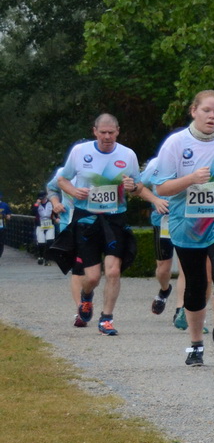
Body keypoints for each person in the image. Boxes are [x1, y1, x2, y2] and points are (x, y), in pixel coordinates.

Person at [147, 91, 214, 366]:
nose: (212, 116)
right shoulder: (176, 143)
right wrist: (190, 178)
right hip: (187, 224)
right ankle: (195, 344)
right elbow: (161, 188)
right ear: (193, 111)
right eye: (206, 111)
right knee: (196, 285)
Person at [56, 114, 142, 336]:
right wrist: (74, 191)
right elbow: (62, 180)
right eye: (102, 132)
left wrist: (132, 186)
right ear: (94, 131)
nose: (107, 137)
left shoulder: (128, 155)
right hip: (87, 219)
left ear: (118, 131)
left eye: (111, 133)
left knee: (113, 271)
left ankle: (106, 319)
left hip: (115, 218)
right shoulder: (80, 152)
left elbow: (138, 185)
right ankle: (86, 296)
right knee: (92, 277)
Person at [140, 159, 181, 319]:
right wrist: (155, 200)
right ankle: (164, 290)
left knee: (188, 267)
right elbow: (138, 186)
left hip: (188, 220)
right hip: (163, 221)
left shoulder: (196, 159)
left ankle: (181, 309)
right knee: (163, 269)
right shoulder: (157, 164)